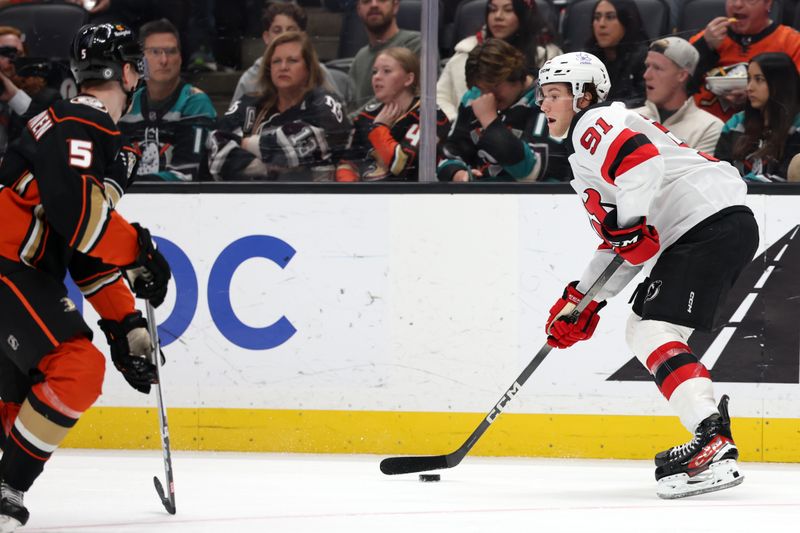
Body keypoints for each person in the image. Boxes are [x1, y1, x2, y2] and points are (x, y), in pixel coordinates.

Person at [536, 51, 758, 498]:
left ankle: (712, 437)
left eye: (554, 94)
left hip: (705, 221)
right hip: (716, 223)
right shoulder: (587, 154)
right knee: (650, 329)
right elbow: (624, 245)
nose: (544, 105)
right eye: (542, 95)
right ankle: (710, 433)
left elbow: (639, 165)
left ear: (583, 96)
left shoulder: (593, 124)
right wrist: (581, 300)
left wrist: (630, 225)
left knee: (650, 327)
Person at [0, 23, 171, 531]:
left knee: (17, 414)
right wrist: (138, 252)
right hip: (10, 266)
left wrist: (125, 326)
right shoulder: (82, 124)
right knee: (76, 368)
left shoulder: (73, 124)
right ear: (126, 71)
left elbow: (80, 245)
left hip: (21, 271)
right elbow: (81, 218)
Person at [207, 31, 351, 181]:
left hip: (309, 198)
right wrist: (264, 168)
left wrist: (243, 143)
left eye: (292, 60)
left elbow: (297, 148)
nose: (283, 67)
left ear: (309, 68)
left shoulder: (324, 102)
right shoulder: (249, 104)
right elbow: (215, 145)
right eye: (276, 61)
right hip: (250, 198)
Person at [438, 39, 567, 182]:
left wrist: (490, 121)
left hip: (534, 200)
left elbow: (531, 172)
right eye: (481, 89)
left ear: (516, 75)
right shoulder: (473, 98)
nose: (488, 96)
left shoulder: (550, 98)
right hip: (478, 197)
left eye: (494, 87)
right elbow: (449, 154)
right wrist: (458, 174)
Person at [119, 18, 217, 182]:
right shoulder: (128, 102)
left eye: (171, 51)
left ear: (180, 58)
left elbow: (185, 174)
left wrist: (129, 184)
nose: (164, 60)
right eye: (155, 52)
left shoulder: (195, 102)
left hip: (183, 203)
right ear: (140, 60)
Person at [336, 47, 449, 181]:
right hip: (365, 198)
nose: (377, 77)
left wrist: (379, 128)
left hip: (409, 197)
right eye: (374, 72)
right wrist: (349, 190)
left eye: (387, 71)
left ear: (408, 79)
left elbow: (401, 165)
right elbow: (347, 163)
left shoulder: (430, 116)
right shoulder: (366, 116)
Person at [436, 0, 561, 121]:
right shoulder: (466, 51)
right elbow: (440, 97)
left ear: (523, 14)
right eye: (493, 10)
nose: (498, 16)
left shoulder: (547, 55)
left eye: (508, 10)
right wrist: (457, 122)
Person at [690, 0, 800, 122]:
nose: (737, 4)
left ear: (768, 3)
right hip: (700, 129)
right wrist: (705, 47)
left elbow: (794, 95)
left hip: (765, 130)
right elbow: (678, 86)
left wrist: (757, 95)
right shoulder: (706, 38)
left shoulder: (792, 43)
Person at [230, 2, 347, 106]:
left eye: (291, 30)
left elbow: (339, 114)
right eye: (277, 30)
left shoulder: (319, 71)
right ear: (266, 37)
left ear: (303, 36)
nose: (283, 36)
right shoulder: (250, 78)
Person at [714, 52, 800, 181]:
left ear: (780, 83)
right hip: (735, 198)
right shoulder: (735, 124)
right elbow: (719, 171)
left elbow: (787, 178)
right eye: (749, 79)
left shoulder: (797, 126)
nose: (749, 88)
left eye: (759, 79)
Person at [632, 37, 724, 154]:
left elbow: (696, 172)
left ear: (682, 76)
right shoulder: (630, 117)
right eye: (647, 66)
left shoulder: (708, 127)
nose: (646, 75)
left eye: (657, 68)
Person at [0, 26, 61, 161]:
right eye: (5, 52)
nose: (12, 60)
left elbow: (40, 138)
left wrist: (14, 96)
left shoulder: (46, 97)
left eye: (19, 54)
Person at [348, 0, 421, 110]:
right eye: (366, 1)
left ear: (395, 6)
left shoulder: (416, 43)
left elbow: (407, 96)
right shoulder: (360, 57)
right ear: (358, 9)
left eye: (381, 0)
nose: (374, 4)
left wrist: (353, 120)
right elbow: (350, 106)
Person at [584, 0, 648, 106]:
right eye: (597, 17)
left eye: (610, 17)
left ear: (626, 21)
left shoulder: (644, 59)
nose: (601, 24)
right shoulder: (587, 59)